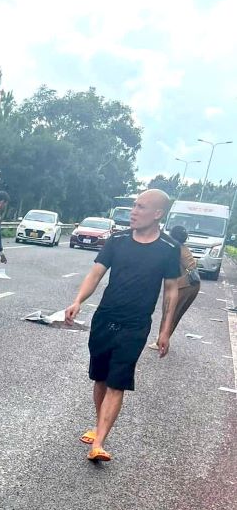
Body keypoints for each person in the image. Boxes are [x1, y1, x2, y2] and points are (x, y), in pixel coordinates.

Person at [64, 189, 179, 462]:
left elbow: (171, 290)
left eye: (140, 207)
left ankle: (99, 442)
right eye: (134, 206)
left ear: (157, 214)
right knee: (101, 377)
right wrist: (78, 300)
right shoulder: (117, 240)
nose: (134, 212)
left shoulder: (169, 248)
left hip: (136, 324)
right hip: (105, 318)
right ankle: (98, 425)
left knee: (118, 381)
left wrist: (165, 330)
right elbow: (96, 273)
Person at [147, 226, 200, 349]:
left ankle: (160, 342)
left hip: (183, 285)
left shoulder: (174, 248)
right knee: (177, 314)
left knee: (168, 311)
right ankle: (164, 340)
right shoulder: (184, 247)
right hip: (194, 284)